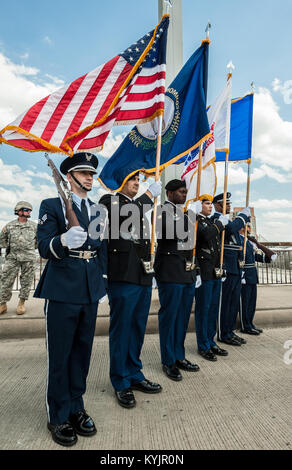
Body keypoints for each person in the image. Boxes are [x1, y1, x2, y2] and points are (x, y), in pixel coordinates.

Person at [34, 152, 107, 447]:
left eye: (91, 173)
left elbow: (100, 250)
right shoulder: (52, 205)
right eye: (83, 172)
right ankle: (58, 414)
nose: (90, 177)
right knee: (61, 355)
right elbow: (42, 245)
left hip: (89, 289)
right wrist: (61, 241)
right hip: (63, 288)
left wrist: (103, 287)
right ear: (70, 177)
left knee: (82, 353)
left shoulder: (97, 211)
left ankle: (76, 407)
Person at [99, 174, 162, 409]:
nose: (137, 183)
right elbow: (123, 217)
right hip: (122, 276)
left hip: (142, 276)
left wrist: (150, 272)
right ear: (120, 182)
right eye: (132, 179)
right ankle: (120, 380)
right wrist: (148, 196)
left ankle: (134, 372)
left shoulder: (139, 208)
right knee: (122, 329)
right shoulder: (110, 201)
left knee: (137, 328)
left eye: (139, 180)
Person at [154, 179, 200, 381]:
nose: (184, 195)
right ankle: (168, 360)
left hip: (186, 272)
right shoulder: (161, 210)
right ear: (169, 193)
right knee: (170, 318)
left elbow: (190, 243)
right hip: (170, 272)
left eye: (185, 192)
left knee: (182, 319)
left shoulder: (182, 213)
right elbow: (168, 232)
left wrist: (195, 270)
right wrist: (191, 215)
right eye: (181, 192)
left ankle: (179, 356)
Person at [212, 193, 250, 346]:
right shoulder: (216, 219)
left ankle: (230, 331)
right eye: (225, 204)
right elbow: (230, 229)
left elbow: (236, 236)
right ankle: (222, 333)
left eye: (229, 203)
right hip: (225, 266)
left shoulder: (227, 220)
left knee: (233, 303)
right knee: (225, 303)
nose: (228, 206)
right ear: (217, 205)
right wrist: (242, 217)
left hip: (234, 267)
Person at [194, 198, 229, 361]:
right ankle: (203, 345)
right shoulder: (196, 221)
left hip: (215, 271)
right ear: (198, 206)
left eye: (210, 203)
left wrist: (222, 268)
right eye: (206, 203)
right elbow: (206, 235)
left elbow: (216, 248)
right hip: (204, 272)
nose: (210, 206)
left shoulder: (210, 221)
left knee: (213, 308)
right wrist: (220, 224)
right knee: (204, 309)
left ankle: (211, 340)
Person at [0, 201, 37, 317]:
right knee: (6, 279)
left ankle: (21, 304)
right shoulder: (9, 225)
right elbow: (2, 239)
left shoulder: (34, 226)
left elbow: (38, 241)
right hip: (13, 257)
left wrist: (29, 248)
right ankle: (3, 305)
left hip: (29, 258)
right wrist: (10, 248)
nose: (29, 212)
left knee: (26, 281)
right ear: (19, 211)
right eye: (27, 210)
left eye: (30, 210)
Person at [239, 224, 277, 334]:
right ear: (242, 228)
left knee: (251, 302)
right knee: (244, 302)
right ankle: (245, 325)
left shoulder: (250, 241)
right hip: (245, 274)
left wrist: (268, 258)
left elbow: (254, 257)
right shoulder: (239, 240)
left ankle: (250, 323)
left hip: (252, 274)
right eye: (248, 227)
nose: (250, 229)